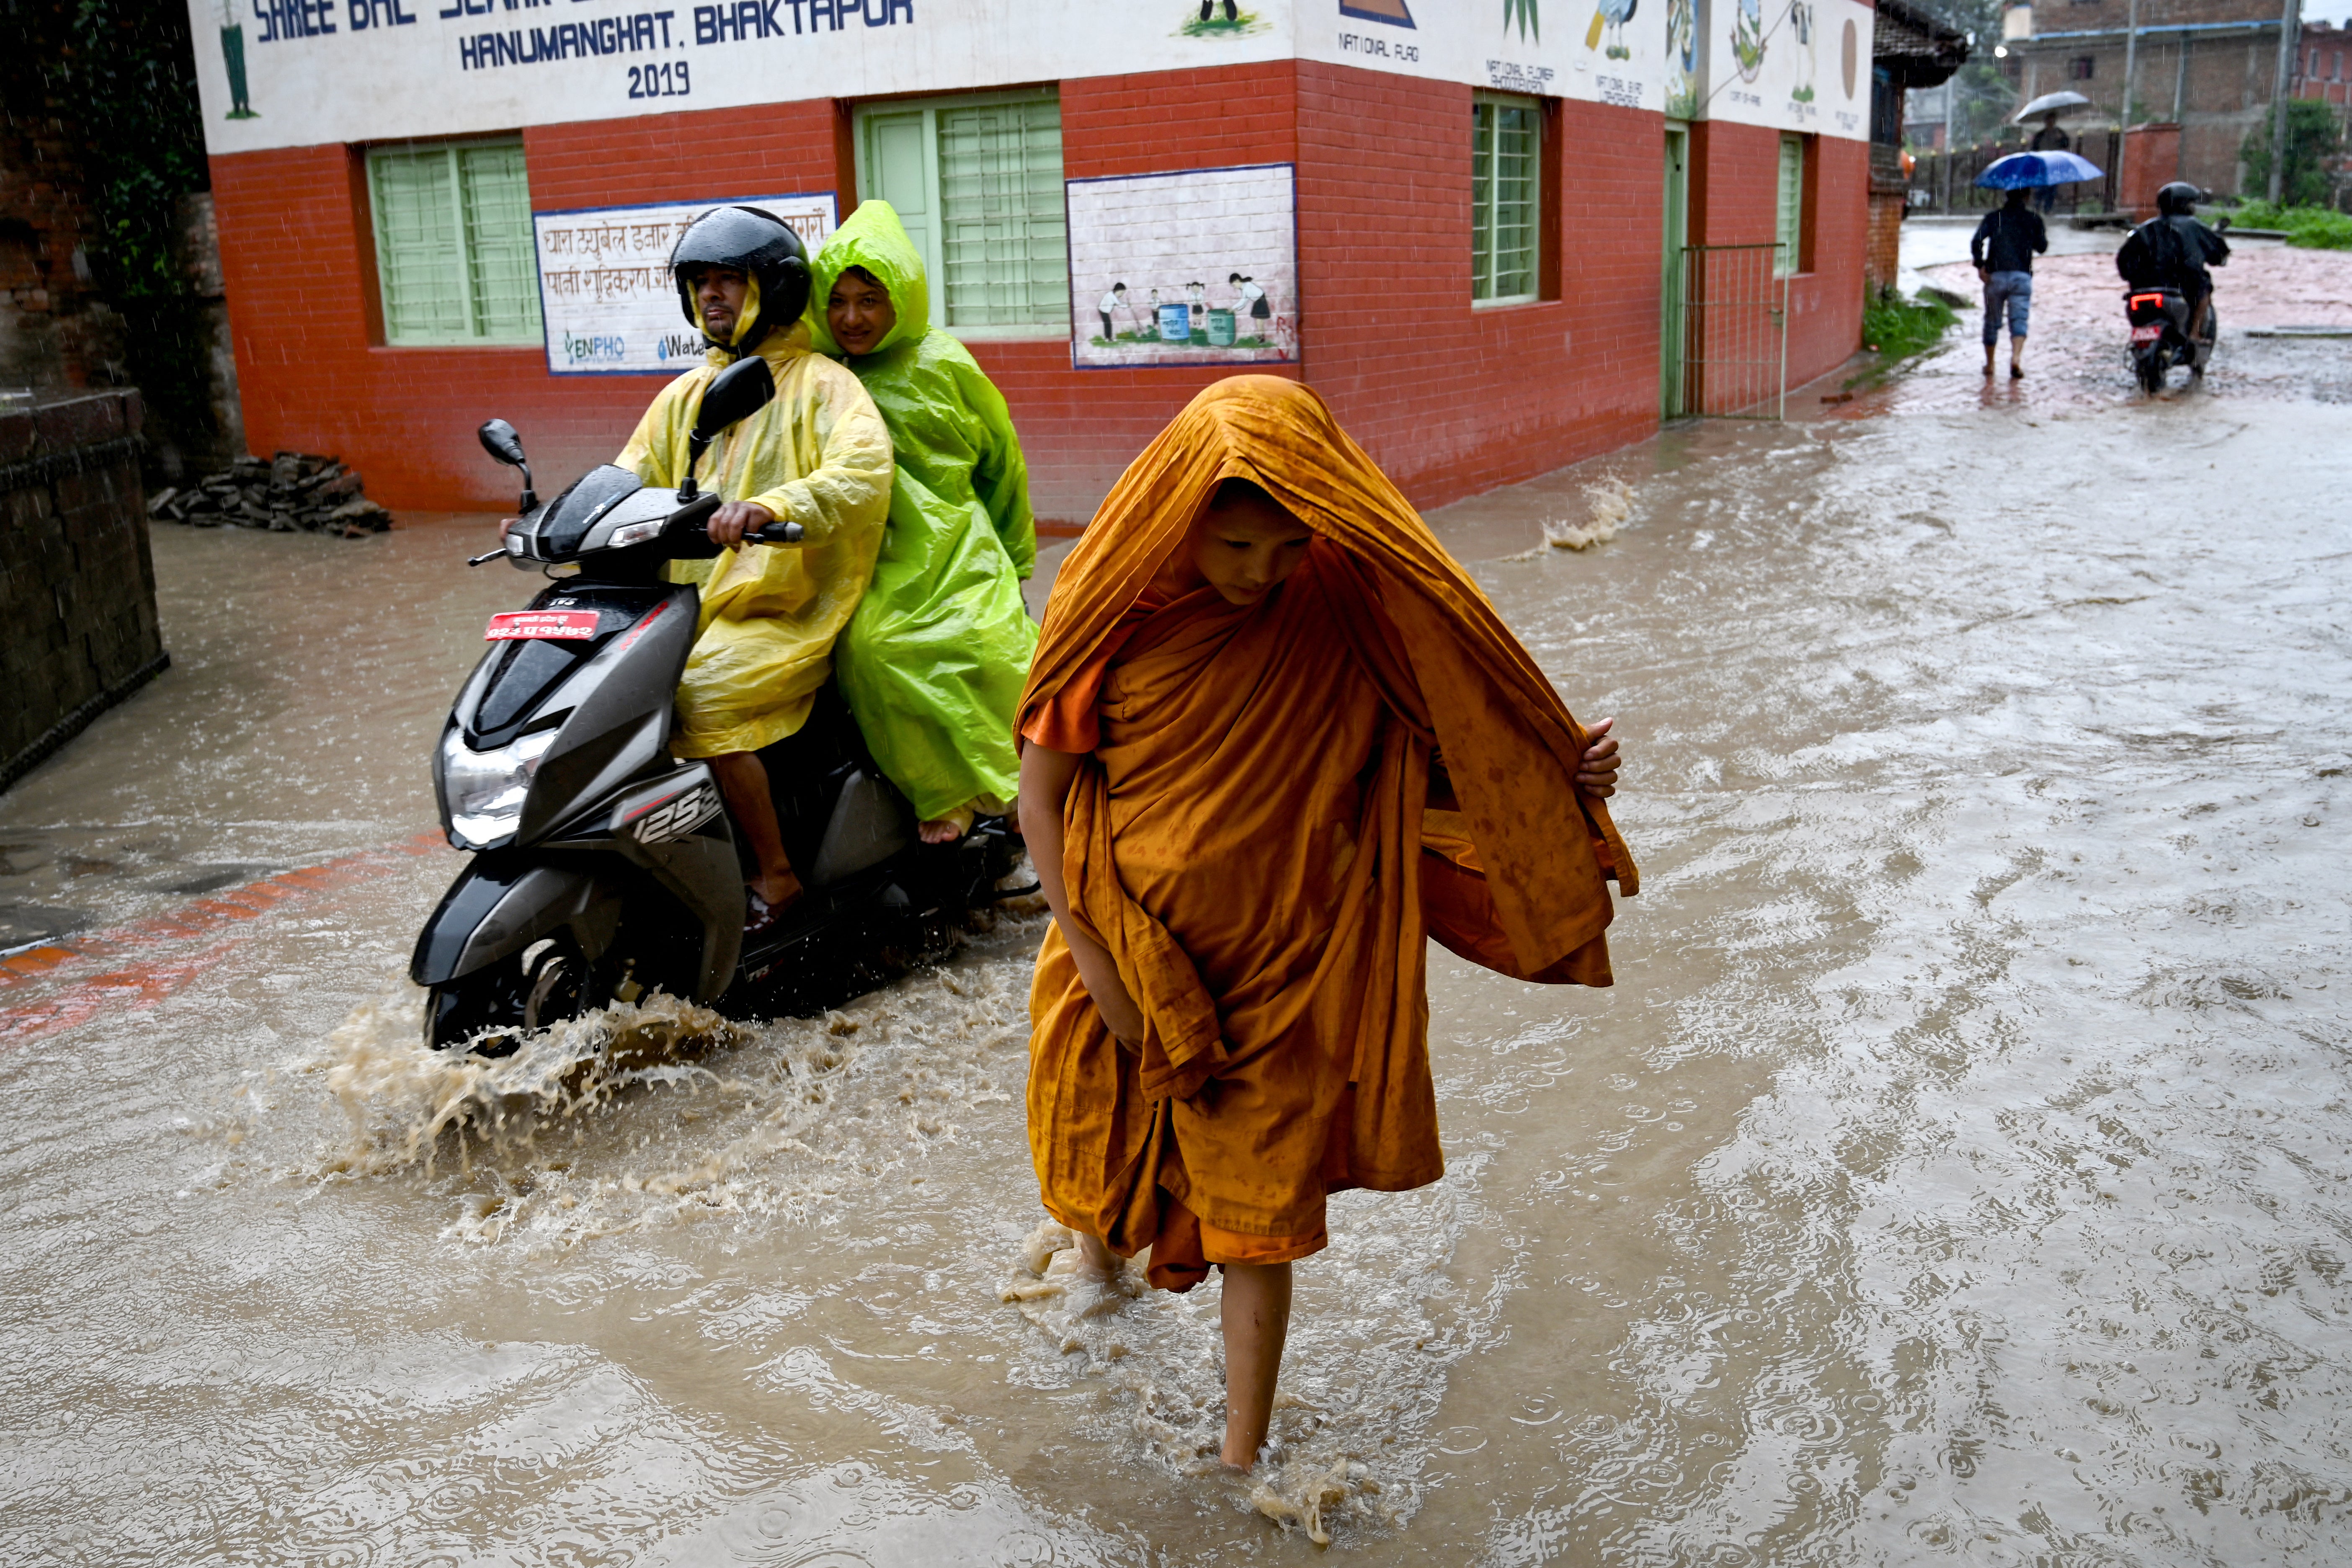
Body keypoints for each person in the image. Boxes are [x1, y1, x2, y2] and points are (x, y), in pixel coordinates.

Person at [1016, 376, 1634, 1471]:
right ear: (1183, 516)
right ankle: (1095, 1305)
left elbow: (1441, 737)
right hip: (1121, 941)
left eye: (1287, 549)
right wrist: (1100, 962)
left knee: (1256, 1211)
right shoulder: (1109, 608)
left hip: (1288, 959)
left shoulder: (1348, 597)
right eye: (1239, 546)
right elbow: (1046, 796)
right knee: (1101, 1157)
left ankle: (1240, 1460)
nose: (1263, 576)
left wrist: (1561, 771)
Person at [617, 206, 893, 930]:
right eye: (701, 283)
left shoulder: (822, 383)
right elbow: (627, 475)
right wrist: (555, 518)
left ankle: (775, 874)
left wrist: (772, 505)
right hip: (689, 605)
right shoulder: (683, 395)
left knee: (700, 696)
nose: (713, 297)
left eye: (730, 282)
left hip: (782, 606)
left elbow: (863, 473)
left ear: (771, 288)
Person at [809, 200, 1040, 843]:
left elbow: (1003, 463)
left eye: (870, 300)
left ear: (901, 299)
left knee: (996, 647)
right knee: (874, 651)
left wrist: (1015, 558)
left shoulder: (946, 362)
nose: (853, 317)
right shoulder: (824, 374)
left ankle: (1024, 786)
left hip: (958, 542)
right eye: (840, 300)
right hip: (871, 554)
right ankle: (941, 792)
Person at [2118, 181, 2230, 369]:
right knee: (2204, 291)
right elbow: (2217, 253)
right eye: (2192, 203)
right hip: (2183, 289)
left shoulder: (2143, 229)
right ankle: (2195, 334)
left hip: (2143, 291)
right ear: (2185, 204)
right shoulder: (2194, 227)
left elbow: (2124, 262)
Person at [1971, 186, 2048, 379]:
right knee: (2019, 319)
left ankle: (1990, 364)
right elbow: (2042, 247)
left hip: (1995, 275)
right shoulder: (2033, 219)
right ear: (2027, 196)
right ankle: (2015, 359)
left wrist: (1980, 264)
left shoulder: (1994, 217)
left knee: (1992, 321)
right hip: (2022, 276)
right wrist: (2035, 230)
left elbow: (1976, 241)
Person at [2029, 112, 2071, 213]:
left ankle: (2048, 208)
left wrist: (2060, 139)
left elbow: (2066, 144)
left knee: (2052, 187)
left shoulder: (2060, 133)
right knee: (2041, 187)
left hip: (2055, 164)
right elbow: (2034, 148)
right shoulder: (2041, 135)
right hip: (2042, 164)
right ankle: (2037, 206)